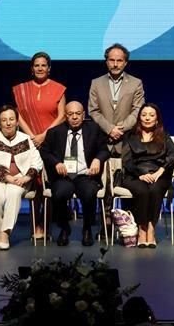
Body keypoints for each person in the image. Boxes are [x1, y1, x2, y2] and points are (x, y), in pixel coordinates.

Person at [12, 51, 65, 239]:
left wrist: (44, 136)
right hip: (29, 141)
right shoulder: (21, 89)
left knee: (48, 184)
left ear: (49, 68)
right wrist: (32, 136)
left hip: (52, 141)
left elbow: (62, 116)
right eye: (37, 65)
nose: (40, 68)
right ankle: (35, 224)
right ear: (31, 68)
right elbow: (18, 116)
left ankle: (46, 224)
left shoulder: (59, 88)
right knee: (34, 184)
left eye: (43, 65)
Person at [40, 101, 109, 246]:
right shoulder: (55, 132)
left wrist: (97, 159)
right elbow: (44, 152)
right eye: (70, 114)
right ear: (65, 116)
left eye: (78, 114)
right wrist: (56, 163)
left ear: (83, 115)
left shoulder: (94, 129)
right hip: (63, 176)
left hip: (85, 175)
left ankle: (87, 228)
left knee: (89, 192)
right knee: (59, 193)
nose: (75, 117)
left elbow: (104, 150)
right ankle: (64, 227)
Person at [0, 104, 43, 250]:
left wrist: (26, 178)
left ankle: (5, 233)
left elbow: (37, 162)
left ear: (17, 122)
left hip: (21, 178)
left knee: (13, 193)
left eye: (11, 119)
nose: (8, 123)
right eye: (4, 120)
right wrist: (7, 177)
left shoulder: (26, 139)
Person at [120, 103, 174, 248]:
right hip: (135, 175)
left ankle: (151, 229)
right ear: (139, 118)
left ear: (157, 119)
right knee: (142, 191)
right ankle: (142, 229)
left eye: (151, 115)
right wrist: (140, 174)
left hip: (158, 175)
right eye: (144, 115)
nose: (147, 118)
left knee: (155, 189)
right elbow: (126, 161)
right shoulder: (130, 136)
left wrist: (160, 171)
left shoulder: (164, 136)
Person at [88, 43, 144, 150]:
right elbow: (93, 111)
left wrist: (120, 129)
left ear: (125, 63)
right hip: (102, 141)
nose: (115, 64)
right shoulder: (96, 83)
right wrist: (110, 129)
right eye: (111, 60)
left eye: (119, 61)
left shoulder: (136, 83)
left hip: (127, 141)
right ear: (106, 62)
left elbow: (138, 110)